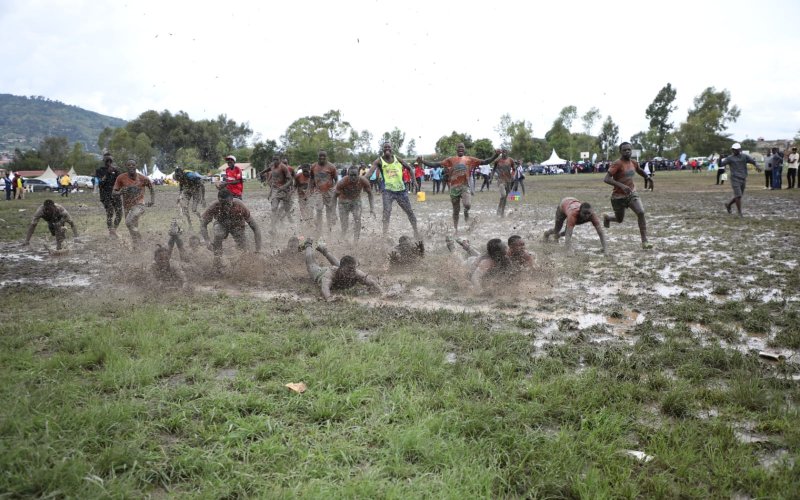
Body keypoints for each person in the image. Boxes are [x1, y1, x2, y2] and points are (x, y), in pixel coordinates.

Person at [419, 143, 500, 233]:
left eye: (462, 147)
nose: (461, 148)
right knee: (456, 210)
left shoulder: (470, 159)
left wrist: (495, 155)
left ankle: (466, 212)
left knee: (467, 204)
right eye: (459, 147)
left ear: (464, 149)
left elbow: (485, 161)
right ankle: (455, 229)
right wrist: (423, 162)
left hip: (465, 186)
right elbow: (435, 164)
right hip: (454, 188)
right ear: (456, 149)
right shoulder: (450, 160)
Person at [602, 142, 653, 249]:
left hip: (631, 194)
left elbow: (639, 170)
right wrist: (621, 185)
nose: (627, 152)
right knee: (619, 220)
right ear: (620, 151)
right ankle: (607, 218)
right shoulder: (617, 163)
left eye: (629, 149)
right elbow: (606, 179)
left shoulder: (634, 162)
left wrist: (647, 177)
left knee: (641, 212)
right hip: (618, 197)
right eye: (624, 150)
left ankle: (644, 241)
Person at [366, 142, 421, 240]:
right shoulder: (379, 161)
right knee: (386, 212)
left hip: (401, 190)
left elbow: (409, 169)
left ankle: (416, 232)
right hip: (388, 191)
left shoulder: (397, 158)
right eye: (385, 147)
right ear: (383, 149)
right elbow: (369, 173)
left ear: (392, 149)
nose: (387, 148)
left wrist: (415, 181)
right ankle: (385, 235)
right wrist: (360, 180)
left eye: (389, 147)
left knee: (409, 212)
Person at [302, 238, 383, 301]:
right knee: (311, 265)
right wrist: (329, 298)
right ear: (341, 268)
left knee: (343, 266)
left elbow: (372, 283)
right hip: (320, 273)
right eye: (350, 269)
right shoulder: (330, 274)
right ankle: (308, 244)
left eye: (353, 269)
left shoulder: (355, 272)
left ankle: (323, 249)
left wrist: (382, 293)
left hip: (340, 268)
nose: (352, 272)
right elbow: (325, 288)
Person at [200, 189, 262, 266]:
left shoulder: (240, 206)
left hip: (237, 226)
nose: (225, 207)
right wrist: (207, 241)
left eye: (227, 204)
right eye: (222, 204)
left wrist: (258, 250)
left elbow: (255, 228)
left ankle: (239, 263)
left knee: (243, 250)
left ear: (232, 200)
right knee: (218, 233)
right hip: (221, 224)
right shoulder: (214, 206)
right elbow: (203, 224)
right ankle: (217, 259)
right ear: (219, 201)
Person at [112, 159, 155, 246]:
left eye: (133, 165)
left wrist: (152, 201)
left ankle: (140, 240)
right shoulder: (120, 178)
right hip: (127, 206)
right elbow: (114, 192)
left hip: (139, 205)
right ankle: (136, 245)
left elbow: (151, 188)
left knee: (128, 222)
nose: (131, 166)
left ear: (136, 166)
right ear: (126, 166)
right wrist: (120, 192)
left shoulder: (143, 178)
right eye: (129, 165)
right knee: (132, 226)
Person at [333, 165, 375, 242]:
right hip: (343, 202)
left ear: (358, 174)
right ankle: (343, 238)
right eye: (351, 175)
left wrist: (372, 208)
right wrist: (333, 212)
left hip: (356, 201)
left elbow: (370, 194)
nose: (353, 177)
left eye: (355, 175)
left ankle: (356, 241)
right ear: (347, 175)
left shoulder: (363, 181)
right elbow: (334, 196)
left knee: (358, 219)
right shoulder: (342, 182)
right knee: (344, 224)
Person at [720, 142, 760, 216]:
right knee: (738, 195)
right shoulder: (730, 158)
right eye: (733, 150)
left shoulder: (744, 156)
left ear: (740, 149)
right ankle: (739, 212)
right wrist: (720, 159)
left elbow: (753, 161)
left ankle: (728, 205)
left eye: (736, 150)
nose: (734, 151)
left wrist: (757, 165)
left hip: (743, 178)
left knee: (739, 195)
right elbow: (721, 164)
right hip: (734, 178)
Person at [309, 150, 339, 234]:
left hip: (329, 191)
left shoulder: (331, 167)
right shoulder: (313, 166)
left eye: (324, 156)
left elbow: (336, 179)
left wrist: (335, 188)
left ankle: (329, 228)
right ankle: (319, 228)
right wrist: (310, 189)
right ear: (318, 157)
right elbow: (311, 179)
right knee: (318, 209)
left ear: (326, 157)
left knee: (329, 210)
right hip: (318, 191)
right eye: (320, 156)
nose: (322, 157)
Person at [96, 153, 123, 237]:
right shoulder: (100, 170)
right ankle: (111, 231)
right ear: (104, 161)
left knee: (119, 213)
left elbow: (121, 181)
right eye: (107, 160)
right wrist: (107, 173)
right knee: (110, 212)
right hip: (105, 195)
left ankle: (114, 230)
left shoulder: (116, 171)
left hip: (116, 194)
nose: (108, 162)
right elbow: (100, 184)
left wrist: (116, 171)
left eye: (110, 160)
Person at [266, 157, 294, 235]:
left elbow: (291, 179)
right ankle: (272, 228)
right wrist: (270, 193)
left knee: (287, 208)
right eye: (274, 160)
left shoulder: (284, 167)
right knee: (274, 208)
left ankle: (284, 220)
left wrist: (285, 187)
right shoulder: (272, 167)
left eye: (276, 160)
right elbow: (272, 181)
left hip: (285, 190)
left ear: (279, 161)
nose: (275, 162)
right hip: (275, 190)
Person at [493, 150, 516, 217]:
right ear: (501, 153)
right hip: (500, 180)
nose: (504, 153)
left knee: (505, 197)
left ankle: (502, 211)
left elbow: (514, 169)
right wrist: (491, 177)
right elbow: (494, 169)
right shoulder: (497, 160)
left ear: (507, 153)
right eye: (503, 152)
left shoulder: (511, 160)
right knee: (503, 195)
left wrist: (512, 175)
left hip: (508, 180)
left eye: (505, 152)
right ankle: (499, 210)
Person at [294, 163, 313, 228]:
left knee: (310, 209)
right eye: (304, 171)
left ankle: (310, 222)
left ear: (309, 170)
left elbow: (316, 186)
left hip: (310, 195)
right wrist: (292, 192)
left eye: (306, 171)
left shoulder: (312, 177)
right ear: (301, 170)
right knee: (302, 209)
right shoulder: (298, 176)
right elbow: (295, 185)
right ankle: (305, 221)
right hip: (301, 195)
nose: (305, 173)